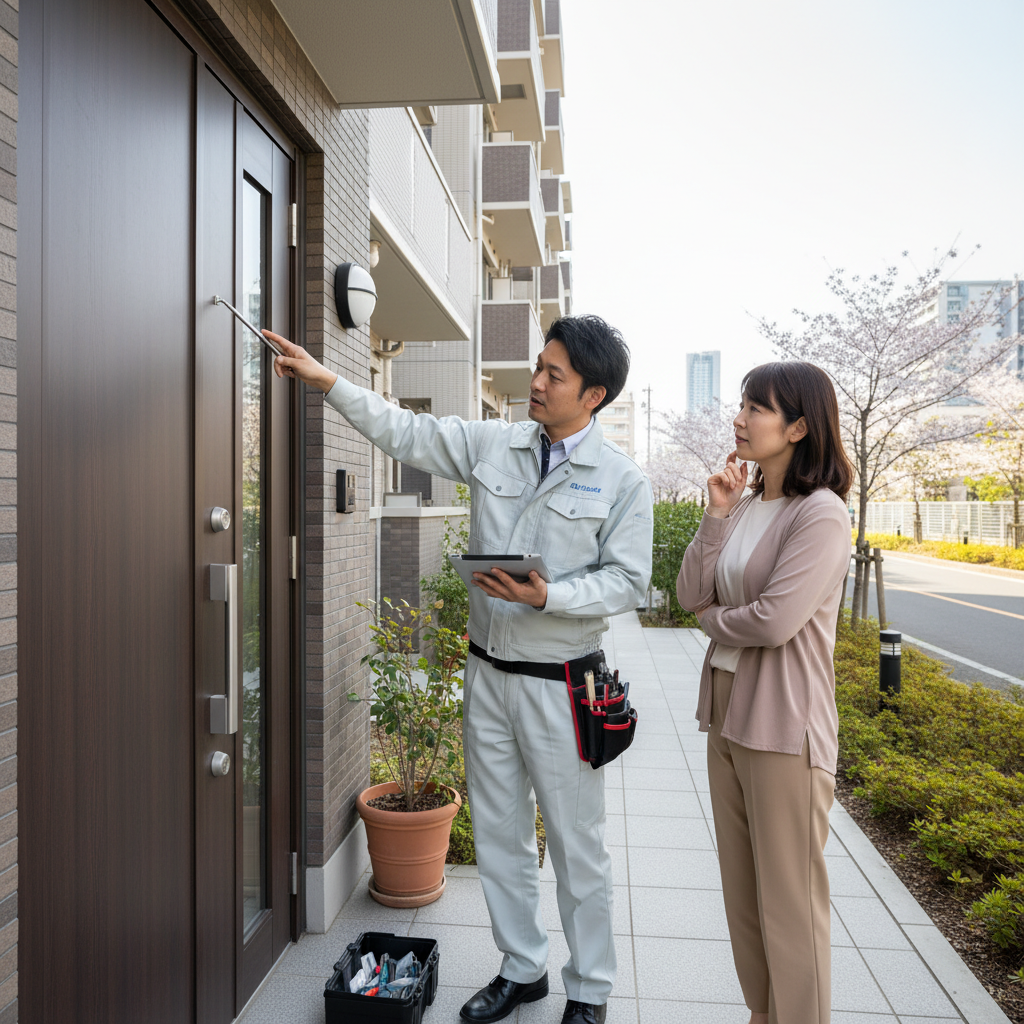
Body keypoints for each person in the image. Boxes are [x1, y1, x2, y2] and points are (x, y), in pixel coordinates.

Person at [265, 315, 653, 1024]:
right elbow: (405, 432)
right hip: (486, 677)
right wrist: (328, 382)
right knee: (501, 836)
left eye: (554, 375)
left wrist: (551, 595)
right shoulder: (493, 443)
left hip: (565, 684)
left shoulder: (623, 481)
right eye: (538, 366)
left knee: (578, 848)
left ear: (592, 395)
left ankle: (590, 989)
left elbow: (629, 583)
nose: (535, 383)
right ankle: (521, 968)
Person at [676, 361, 854, 1024]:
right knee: (745, 898)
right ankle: (765, 1014)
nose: (740, 418)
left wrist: (712, 623)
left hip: (784, 724)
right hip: (727, 710)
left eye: (758, 408)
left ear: (800, 427)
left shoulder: (822, 515)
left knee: (791, 903)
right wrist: (717, 515)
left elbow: (776, 619)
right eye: (742, 405)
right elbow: (690, 591)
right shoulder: (747, 505)